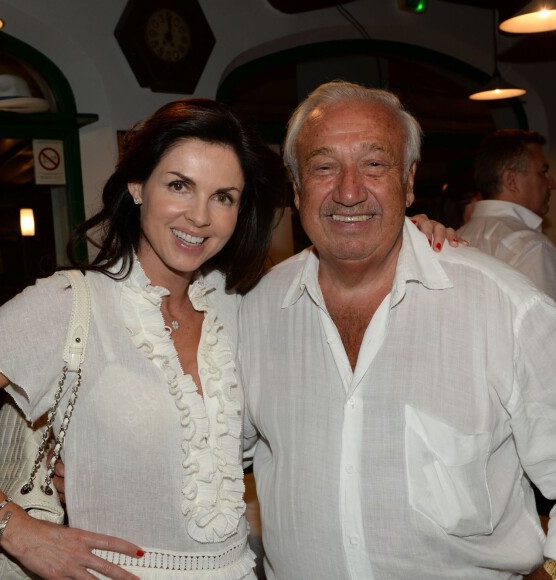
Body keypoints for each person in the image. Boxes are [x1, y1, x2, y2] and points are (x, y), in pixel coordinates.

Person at [0, 97, 454, 579]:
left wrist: (407, 236)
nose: (200, 217)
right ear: (138, 186)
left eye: (223, 196)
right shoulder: (67, 304)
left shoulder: (241, 306)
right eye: (180, 186)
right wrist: (13, 528)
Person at [238, 81, 556, 579]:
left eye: (374, 164)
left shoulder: (506, 308)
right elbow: (206, 455)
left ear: (408, 181)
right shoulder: (253, 312)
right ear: (296, 188)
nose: (348, 191)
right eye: (324, 167)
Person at [457, 129, 556, 301]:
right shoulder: (532, 247)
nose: (552, 183)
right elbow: (544, 326)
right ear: (511, 180)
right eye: (543, 172)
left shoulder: (457, 237)